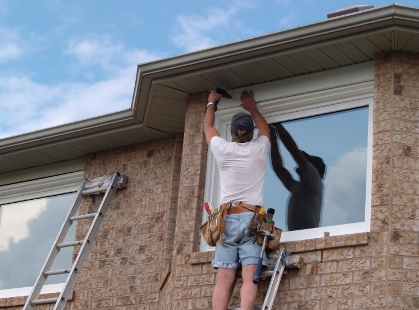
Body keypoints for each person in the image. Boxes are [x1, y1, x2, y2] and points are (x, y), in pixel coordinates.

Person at [204, 90, 270, 310]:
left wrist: (212, 102)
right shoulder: (259, 149)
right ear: (251, 133)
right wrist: (251, 107)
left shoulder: (223, 150)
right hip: (253, 219)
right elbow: (266, 129)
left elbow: (208, 128)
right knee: (251, 275)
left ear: (231, 133)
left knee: (224, 278)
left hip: (226, 220)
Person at [269, 123, 326, 231]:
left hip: (308, 239)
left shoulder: (315, 180)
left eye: (307, 160)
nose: (302, 162)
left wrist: (278, 124)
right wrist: (274, 140)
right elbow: (278, 168)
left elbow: (293, 149)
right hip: (296, 239)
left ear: (316, 169)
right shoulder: (299, 188)